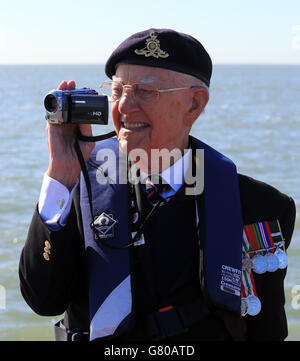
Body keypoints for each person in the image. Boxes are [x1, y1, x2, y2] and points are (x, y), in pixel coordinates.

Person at [19, 28, 296, 342]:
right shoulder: (75, 193)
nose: (123, 106)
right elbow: (43, 300)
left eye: (144, 92)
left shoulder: (258, 206)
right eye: (117, 90)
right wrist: (61, 173)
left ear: (194, 104)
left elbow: (267, 332)